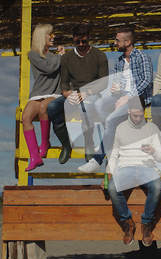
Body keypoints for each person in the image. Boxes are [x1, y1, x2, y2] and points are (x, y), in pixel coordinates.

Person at [78, 27, 153, 173]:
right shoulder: (119, 61)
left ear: (128, 41)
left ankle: (97, 159)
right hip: (122, 97)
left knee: (111, 120)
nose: (115, 43)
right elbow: (120, 84)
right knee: (98, 104)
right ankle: (113, 140)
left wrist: (127, 97)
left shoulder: (142, 56)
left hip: (138, 99)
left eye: (118, 40)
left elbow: (147, 81)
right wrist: (116, 89)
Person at [105, 96, 161, 247]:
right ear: (128, 111)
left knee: (157, 187)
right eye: (135, 116)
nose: (138, 119)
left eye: (141, 115)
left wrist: (153, 151)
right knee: (112, 188)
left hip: (148, 168)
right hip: (125, 167)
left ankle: (146, 223)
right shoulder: (120, 128)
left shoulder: (152, 128)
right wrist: (108, 174)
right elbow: (113, 155)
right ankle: (127, 222)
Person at [47, 24, 109, 164]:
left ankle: (88, 141)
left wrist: (87, 92)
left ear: (89, 38)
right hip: (74, 94)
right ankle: (66, 144)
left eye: (84, 41)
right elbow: (64, 82)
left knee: (86, 106)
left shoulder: (100, 56)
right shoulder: (67, 58)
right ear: (73, 40)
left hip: (93, 94)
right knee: (51, 108)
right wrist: (66, 92)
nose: (81, 44)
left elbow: (103, 83)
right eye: (77, 42)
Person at [22, 24, 65, 171]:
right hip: (38, 93)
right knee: (25, 117)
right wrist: (59, 57)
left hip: (54, 93)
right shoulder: (33, 54)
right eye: (49, 34)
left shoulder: (55, 57)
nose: (53, 37)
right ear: (41, 36)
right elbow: (49, 68)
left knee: (43, 107)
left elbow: (55, 66)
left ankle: (45, 143)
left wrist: (59, 57)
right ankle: (35, 157)